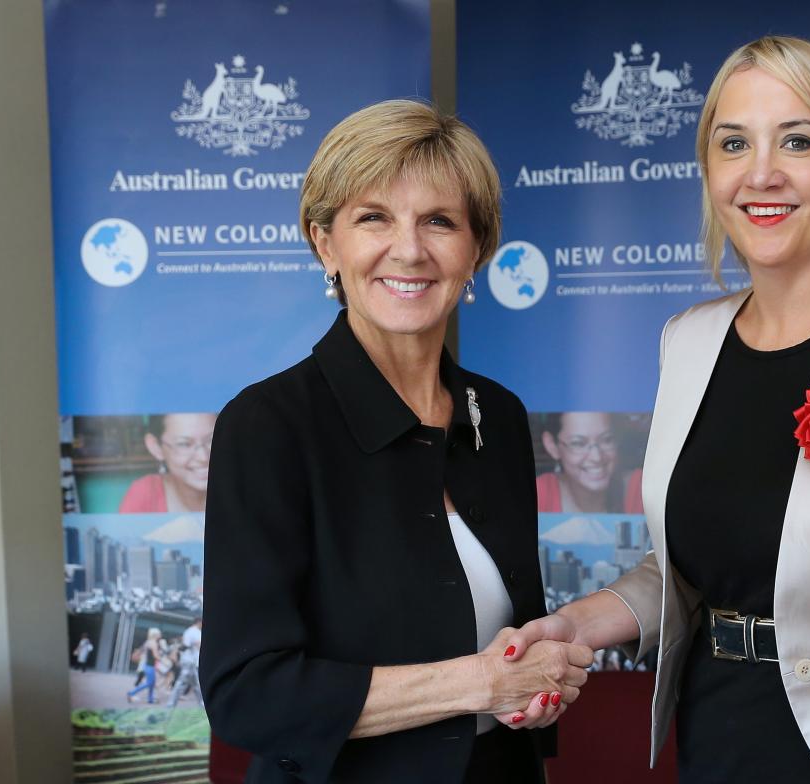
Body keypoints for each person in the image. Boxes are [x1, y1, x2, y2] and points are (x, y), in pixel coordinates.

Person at [501, 36, 810, 784]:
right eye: (734, 143)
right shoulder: (688, 340)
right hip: (719, 733)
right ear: (709, 172)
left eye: (797, 140)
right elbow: (696, 569)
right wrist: (579, 622)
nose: (761, 173)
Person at [200, 99, 593, 784]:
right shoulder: (267, 426)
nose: (408, 249)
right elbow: (248, 695)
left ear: (477, 250)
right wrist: (479, 683)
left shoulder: (496, 416)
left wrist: (537, 685)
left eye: (439, 221)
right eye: (373, 217)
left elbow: (512, 662)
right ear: (326, 242)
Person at [535, 412, 644, 513]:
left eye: (607, 440)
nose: (596, 457)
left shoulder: (643, 488)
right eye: (578, 443)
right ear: (552, 446)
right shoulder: (540, 493)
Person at [118, 413, 216, 513]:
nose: (203, 457)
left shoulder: (232, 487)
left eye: (212, 440)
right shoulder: (145, 493)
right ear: (156, 447)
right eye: (185, 444)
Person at [167, 618, 203, 707]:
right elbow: (193, 645)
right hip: (191, 662)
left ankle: (203, 705)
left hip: (191, 662)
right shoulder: (194, 632)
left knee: (197, 685)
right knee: (183, 683)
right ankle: (170, 705)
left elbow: (186, 645)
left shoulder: (190, 631)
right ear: (199, 622)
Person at [127, 627, 162, 704]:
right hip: (150, 666)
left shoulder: (148, 642)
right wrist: (162, 659)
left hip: (147, 665)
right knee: (149, 683)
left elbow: (141, 651)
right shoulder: (154, 643)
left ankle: (150, 699)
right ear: (155, 634)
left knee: (152, 683)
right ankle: (131, 693)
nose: (160, 635)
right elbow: (155, 655)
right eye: (159, 633)